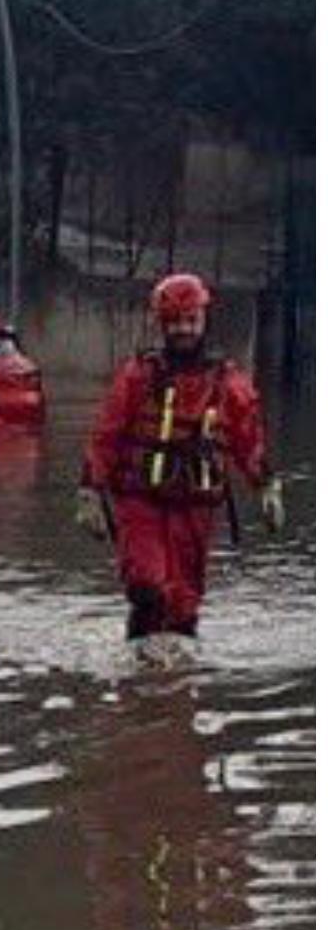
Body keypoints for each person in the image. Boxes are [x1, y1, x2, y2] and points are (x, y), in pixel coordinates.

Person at [77, 272, 276, 666]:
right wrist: (90, 490)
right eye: (175, 322)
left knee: (184, 606)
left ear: (203, 321)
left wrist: (266, 485)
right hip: (141, 501)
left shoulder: (227, 383)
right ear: (162, 324)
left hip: (195, 507)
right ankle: (137, 683)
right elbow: (106, 435)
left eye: (190, 321)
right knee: (148, 587)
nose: (183, 330)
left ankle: (177, 700)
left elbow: (247, 438)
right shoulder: (138, 376)